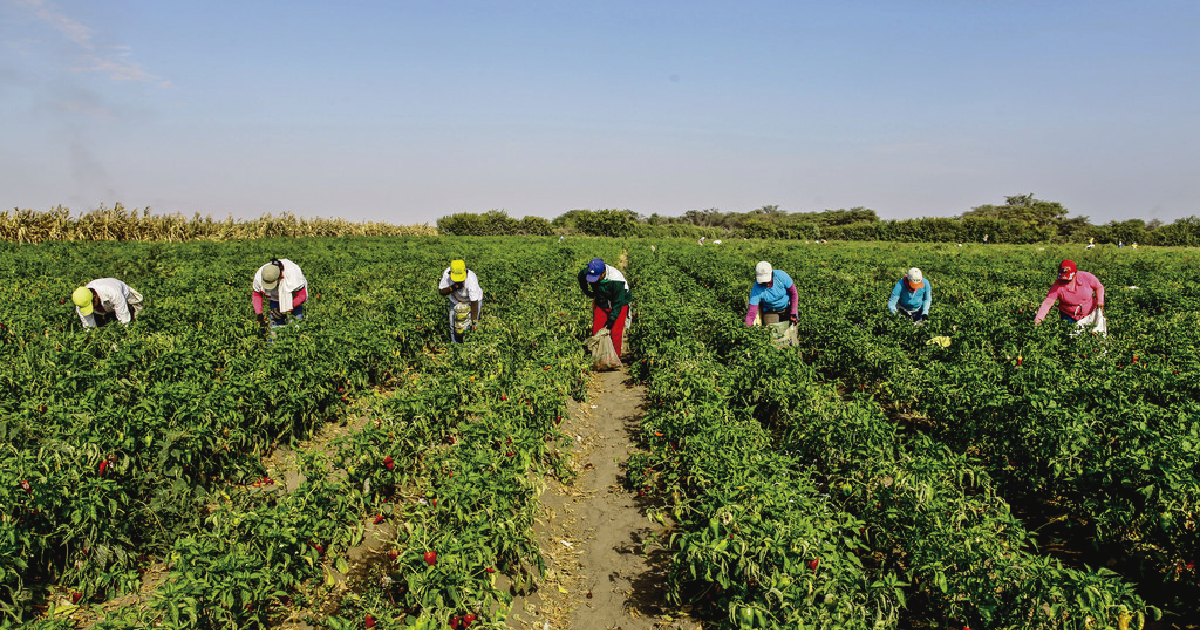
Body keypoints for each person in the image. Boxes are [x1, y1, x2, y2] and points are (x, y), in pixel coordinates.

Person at [578, 258, 632, 358]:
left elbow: (618, 302)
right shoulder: (588, 272)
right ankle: (598, 358)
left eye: (596, 277)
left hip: (619, 303)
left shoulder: (616, 279)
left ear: (603, 273)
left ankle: (614, 359)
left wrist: (612, 318)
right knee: (597, 330)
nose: (594, 279)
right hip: (602, 301)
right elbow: (581, 277)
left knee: (615, 332)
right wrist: (588, 293)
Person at [1035, 259, 1105, 331]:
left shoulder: (1086, 277)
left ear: (1075, 274)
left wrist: (1100, 302)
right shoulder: (1057, 286)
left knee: (1094, 335)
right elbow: (1047, 303)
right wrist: (1038, 320)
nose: (1065, 281)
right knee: (1072, 339)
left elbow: (1099, 287)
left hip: (1091, 314)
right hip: (1069, 317)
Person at [252, 258, 308, 329]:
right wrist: (259, 313)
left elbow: (302, 296)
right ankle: (275, 337)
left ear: (280, 277)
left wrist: (284, 308)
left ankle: (296, 336)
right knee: (275, 325)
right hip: (275, 298)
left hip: (294, 297)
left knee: (296, 324)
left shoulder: (293, 275)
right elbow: (257, 294)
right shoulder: (260, 275)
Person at [438, 259, 482, 343]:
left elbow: (474, 302)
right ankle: (456, 348)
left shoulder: (471, 279)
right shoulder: (447, 274)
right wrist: (454, 287)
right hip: (456, 300)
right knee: (454, 325)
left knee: (468, 326)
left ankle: (468, 348)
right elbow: (441, 291)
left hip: (472, 302)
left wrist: (474, 321)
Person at [72, 278, 144, 328]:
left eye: (92, 304)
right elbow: (88, 325)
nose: (93, 307)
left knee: (135, 321)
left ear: (95, 296)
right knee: (102, 325)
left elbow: (124, 319)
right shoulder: (81, 303)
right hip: (105, 308)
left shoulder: (112, 292)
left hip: (124, 300)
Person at [743, 261, 797, 327]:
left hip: (787, 308)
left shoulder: (781, 276)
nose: (765, 284)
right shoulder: (756, 289)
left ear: (771, 274)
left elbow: (794, 293)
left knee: (791, 330)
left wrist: (793, 312)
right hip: (770, 311)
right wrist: (747, 326)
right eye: (763, 282)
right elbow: (752, 311)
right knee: (772, 331)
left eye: (767, 281)